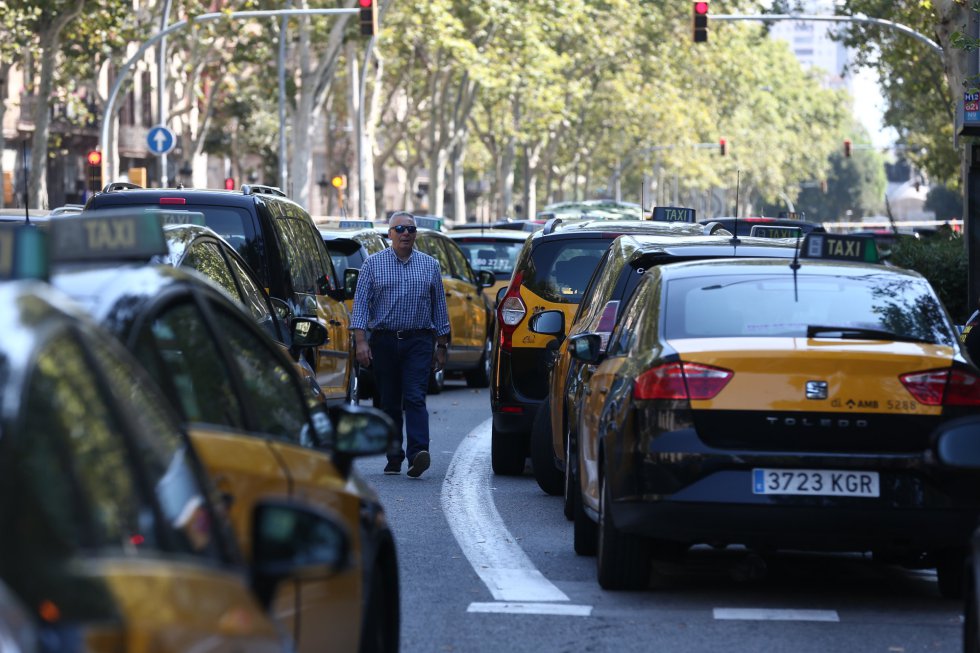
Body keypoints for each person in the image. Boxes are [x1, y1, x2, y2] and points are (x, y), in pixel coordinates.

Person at [350, 211, 450, 478]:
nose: (406, 234)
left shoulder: (430, 265)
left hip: (419, 340)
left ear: (416, 234)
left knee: (415, 397)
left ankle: (418, 453)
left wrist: (441, 346)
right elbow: (360, 306)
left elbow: (439, 307)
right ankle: (394, 455)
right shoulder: (372, 265)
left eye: (410, 229)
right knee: (390, 401)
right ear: (389, 234)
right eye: (400, 229)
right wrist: (361, 342)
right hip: (383, 341)